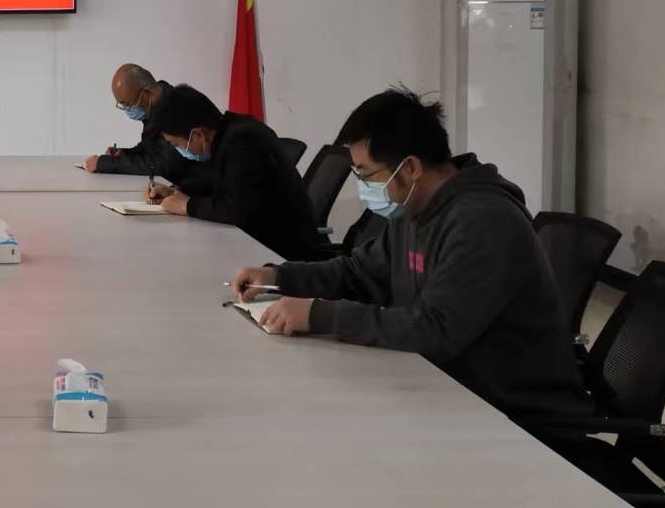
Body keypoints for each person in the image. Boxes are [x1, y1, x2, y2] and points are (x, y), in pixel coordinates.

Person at [231, 87, 593, 422]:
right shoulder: (415, 208)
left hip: (513, 414)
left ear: (410, 168)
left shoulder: (485, 222)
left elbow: (434, 330)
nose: (363, 185)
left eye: (366, 173)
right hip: (446, 388)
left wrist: (318, 315)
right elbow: (360, 272)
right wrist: (280, 277)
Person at [143, 83, 323, 260]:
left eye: (176, 144)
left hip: (287, 255)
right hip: (263, 244)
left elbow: (241, 212)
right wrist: (175, 192)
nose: (177, 150)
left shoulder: (243, 143)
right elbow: (216, 182)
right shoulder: (228, 133)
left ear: (198, 135)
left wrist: (187, 206)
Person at [84, 63, 195, 181]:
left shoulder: (176, 108)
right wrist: (125, 154)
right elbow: (150, 149)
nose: (127, 110)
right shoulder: (156, 105)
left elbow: (165, 165)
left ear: (146, 93)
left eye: (128, 104)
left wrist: (106, 163)